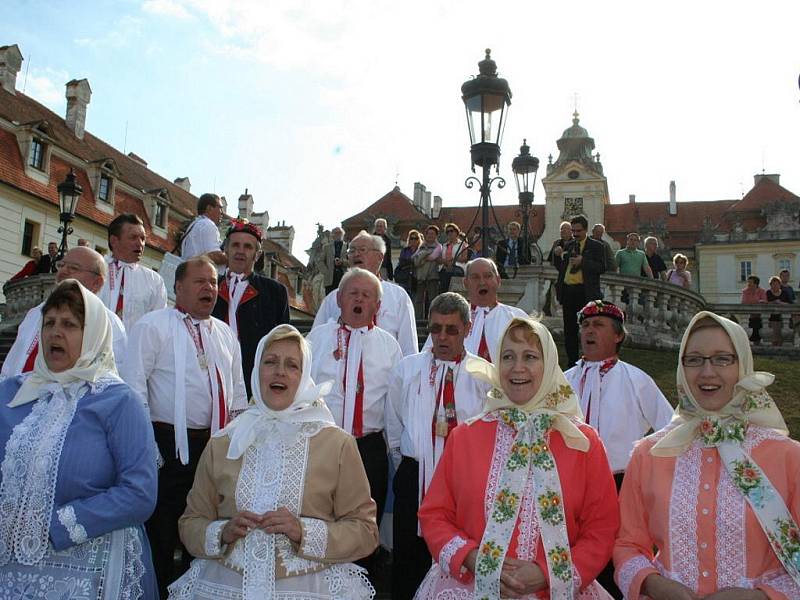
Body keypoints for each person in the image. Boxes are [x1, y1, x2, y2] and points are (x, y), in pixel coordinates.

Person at [168, 324, 379, 599]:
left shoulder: (337, 444)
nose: (280, 371)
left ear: (304, 378)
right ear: (257, 371)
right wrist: (222, 532)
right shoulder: (223, 442)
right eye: (270, 362)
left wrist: (303, 531)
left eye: (292, 365)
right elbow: (190, 522)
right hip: (224, 587)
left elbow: (365, 531)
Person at [416, 317, 619, 599]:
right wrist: (473, 558)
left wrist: (548, 573)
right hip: (467, 586)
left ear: (548, 365)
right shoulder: (465, 436)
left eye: (530, 356)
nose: (517, 367)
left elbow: (602, 527)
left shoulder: (582, 442)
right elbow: (434, 514)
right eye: (508, 357)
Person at [613, 311, 800, 599]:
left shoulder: (788, 457)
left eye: (722, 358)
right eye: (695, 359)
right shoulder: (649, 454)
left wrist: (761, 596)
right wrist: (653, 583)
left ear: (743, 366)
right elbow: (627, 545)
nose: (707, 372)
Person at [0, 279, 158, 597]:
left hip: (89, 567)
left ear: (93, 335)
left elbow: (139, 493)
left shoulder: (118, 400)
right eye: (50, 323)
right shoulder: (11, 392)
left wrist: (59, 523)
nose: (55, 333)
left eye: (70, 324)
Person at [123, 256, 248, 597]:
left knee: (207, 528)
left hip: (213, 446)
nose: (209, 288)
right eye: (200, 281)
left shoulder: (224, 333)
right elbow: (134, 387)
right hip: (164, 445)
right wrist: (146, 448)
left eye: (213, 282)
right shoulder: (152, 326)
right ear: (178, 287)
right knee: (163, 528)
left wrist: (236, 445)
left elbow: (237, 395)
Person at [385, 292, 490, 600]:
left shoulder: (484, 376)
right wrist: (408, 461)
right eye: (435, 328)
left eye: (451, 329)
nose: (441, 337)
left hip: (464, 480)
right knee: (408, 558)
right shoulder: (407, 369)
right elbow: (394, 424)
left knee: (461, 555)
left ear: (468, 329)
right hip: (414, 473)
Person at [565, 300, 673, 598]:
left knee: (616, 558)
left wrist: (648, 472)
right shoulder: (563, 381)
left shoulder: (636, 379)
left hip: (620, 484)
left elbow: (671, 428)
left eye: (598, 325)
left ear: (618, 335)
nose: (589, 331)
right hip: (570, 484)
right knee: (573, 555)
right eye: (585, 325)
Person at [306, 268, 402, 542]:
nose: (359, 300)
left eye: (366, 295)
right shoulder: (316, 340)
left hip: (368, 448)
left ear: (377, 305)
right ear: (339, 299)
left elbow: (394, 405)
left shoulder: (389, 346)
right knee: (319, 519)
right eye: (353, 293)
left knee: (363, 524)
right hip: (323, 443)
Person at [2, 246, 128, 379]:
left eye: (74, 268)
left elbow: (113, 373)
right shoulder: (36, 312)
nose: (63, 271)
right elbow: (12, 362)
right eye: (61, 265)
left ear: (97, 282)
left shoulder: (109, 323)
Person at [212, 219, 290, 398]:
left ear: (257, 254)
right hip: (213, 375)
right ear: (226, 249)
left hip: (254, 382)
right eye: (235, 245)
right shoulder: (211, 287)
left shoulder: (275, 292)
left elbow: (282, 342)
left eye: (248, 247)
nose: (240, 251)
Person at [313, 231, 418, 356]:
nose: (356, 254)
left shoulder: (398, 297)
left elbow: (409, 348)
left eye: (362, 250)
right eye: (351, 251)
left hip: (385, 372)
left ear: (380, 257)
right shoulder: (334, 298)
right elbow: (315, 343)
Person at [421, 258, 528, 362]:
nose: (482, 282)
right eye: (475, 277)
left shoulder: (515, 317)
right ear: (466, 283)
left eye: (487, 276)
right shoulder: (451, 319)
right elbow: (428, 358)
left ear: (498, 280)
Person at [99, 213, 168, 331]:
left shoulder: (154, 280)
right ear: (114, 240)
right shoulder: (96, 268)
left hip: (134, 348)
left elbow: (159, 324)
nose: (140, 243)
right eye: (133, 237)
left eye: (143, 238)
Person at [556, 214, 607, 368]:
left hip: (585, 292)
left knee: (590, 328)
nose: (575, 234)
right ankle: (572, 362)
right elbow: (561, 268)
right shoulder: (569, 245)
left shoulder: (597, 246)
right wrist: (557, 256)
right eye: (573, 231)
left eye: (578, 230)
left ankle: (591, 358)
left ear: (585, 230)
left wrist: (583, 261)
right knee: (569, 329)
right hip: (568, 292)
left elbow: (602, 268)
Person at [180, 192, 227, 265]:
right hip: (199, 272)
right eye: (220, 208)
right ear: (209, 208)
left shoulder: (195, 224)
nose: (222, 213)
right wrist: (234, 257)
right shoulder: (208, 224)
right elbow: (215, 256)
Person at [413, 225, 444, 319]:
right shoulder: (421, 246)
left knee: (432, 299)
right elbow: (414, 258)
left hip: (432, 276)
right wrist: (425, 256)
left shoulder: (439, 247)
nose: (430, 235)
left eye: (433, 234)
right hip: (421, 276)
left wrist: (422, 257)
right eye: (429, 233)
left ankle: (432, 319)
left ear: (436, 236)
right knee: (419, 300)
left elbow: (433, 257)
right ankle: (418, 319)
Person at [439, 222, 469, 293]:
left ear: (456, 232)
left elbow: (464, 258)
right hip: (445, 267)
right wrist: (445, 261)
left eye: (451, 231)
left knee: (452, 277)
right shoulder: (444, 246)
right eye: (448, 231)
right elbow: (440, 259)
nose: (450, 233)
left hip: (457, 267)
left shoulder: (462, 245)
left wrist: (453, 259)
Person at [741, 275, 768, 344]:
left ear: (755, 284)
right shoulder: (745, 291)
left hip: (759, 317)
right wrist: (757, 301)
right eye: (748, 282)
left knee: (758, 335)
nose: (748, 284)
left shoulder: (762, 291)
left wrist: (756, 296)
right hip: (749, 317)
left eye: (750, 282)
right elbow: (744, 302)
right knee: (749, 334)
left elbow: (764, 302)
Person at [766, 275, 792, 346]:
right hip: (771, 318)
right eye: (773, 284)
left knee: (782, 337)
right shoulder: (768, 293)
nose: (775, 286)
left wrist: (781, 303)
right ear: (770, 285)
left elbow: (790, 304)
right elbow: (765, 303)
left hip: (783, 318)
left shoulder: (784, 293)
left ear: (780, 285)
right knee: (773, 337)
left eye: (777, 284)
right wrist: (773, 302)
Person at [394, 229, 420, 297]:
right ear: (409, 239)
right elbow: (402, 262)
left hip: (417, 277)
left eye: (416, 238)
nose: (413, 240)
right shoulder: (405, 250)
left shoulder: (421, 250)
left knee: (415, 297)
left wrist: (410, 261)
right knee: (404, 296)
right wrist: (411, 261)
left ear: (418, 240)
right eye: (412, 238)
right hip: (405, 277)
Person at [322, 226, 347, 294]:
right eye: (336, 233)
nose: (338, 234)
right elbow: (320, 261)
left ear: (343, 234)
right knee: (330, 298)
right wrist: (326, 271)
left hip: (343, 276)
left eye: (340, 233)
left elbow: (351, 261)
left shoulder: (347, 246)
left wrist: (342, 262)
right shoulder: (326, 247)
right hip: (330, 279)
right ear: (332, 235)